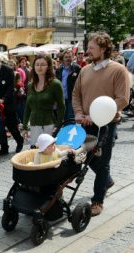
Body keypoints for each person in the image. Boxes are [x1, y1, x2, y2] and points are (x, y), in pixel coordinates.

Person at [73, 32, 131, 216]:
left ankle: (98, 200)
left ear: (104, 48)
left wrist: (98, 116)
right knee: (84, 156)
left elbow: (122, 99)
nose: (87, 50)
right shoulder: (85, 70)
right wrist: (80, 113)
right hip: (86, 123)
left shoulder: (118, 70)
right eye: (88, 47)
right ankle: (107, 180)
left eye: (91, 47)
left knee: (103, 162)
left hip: (107, 124)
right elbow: (76, 94)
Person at [23, 54, 65, 148]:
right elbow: (28, 107)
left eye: (43, 64)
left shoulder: (55, 84)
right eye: (37, 64)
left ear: (49, 66)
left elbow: (61, 106)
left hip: (49, 125)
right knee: (35, 153)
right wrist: (25, 126)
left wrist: (58, 125)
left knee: (48, 154)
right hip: (34, 125)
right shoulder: (30, 85)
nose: (39, 67)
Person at [0, 52, 24, 155]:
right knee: (0, 128)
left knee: (12, 126)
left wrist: (3, 99)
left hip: (8, 104)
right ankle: (4, 148)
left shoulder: (8, 71)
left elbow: (10, 89)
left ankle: (19, 141)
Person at [55, 50, 81, 121]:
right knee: (60, 118)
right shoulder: (58, 70)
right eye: (66, 57)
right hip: (60, 98)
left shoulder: (77, 68)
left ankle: (69, 131)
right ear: (62, 59)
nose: (68, 59)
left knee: (70, 118)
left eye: (70, 57)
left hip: (71, 98)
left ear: (72, 58)